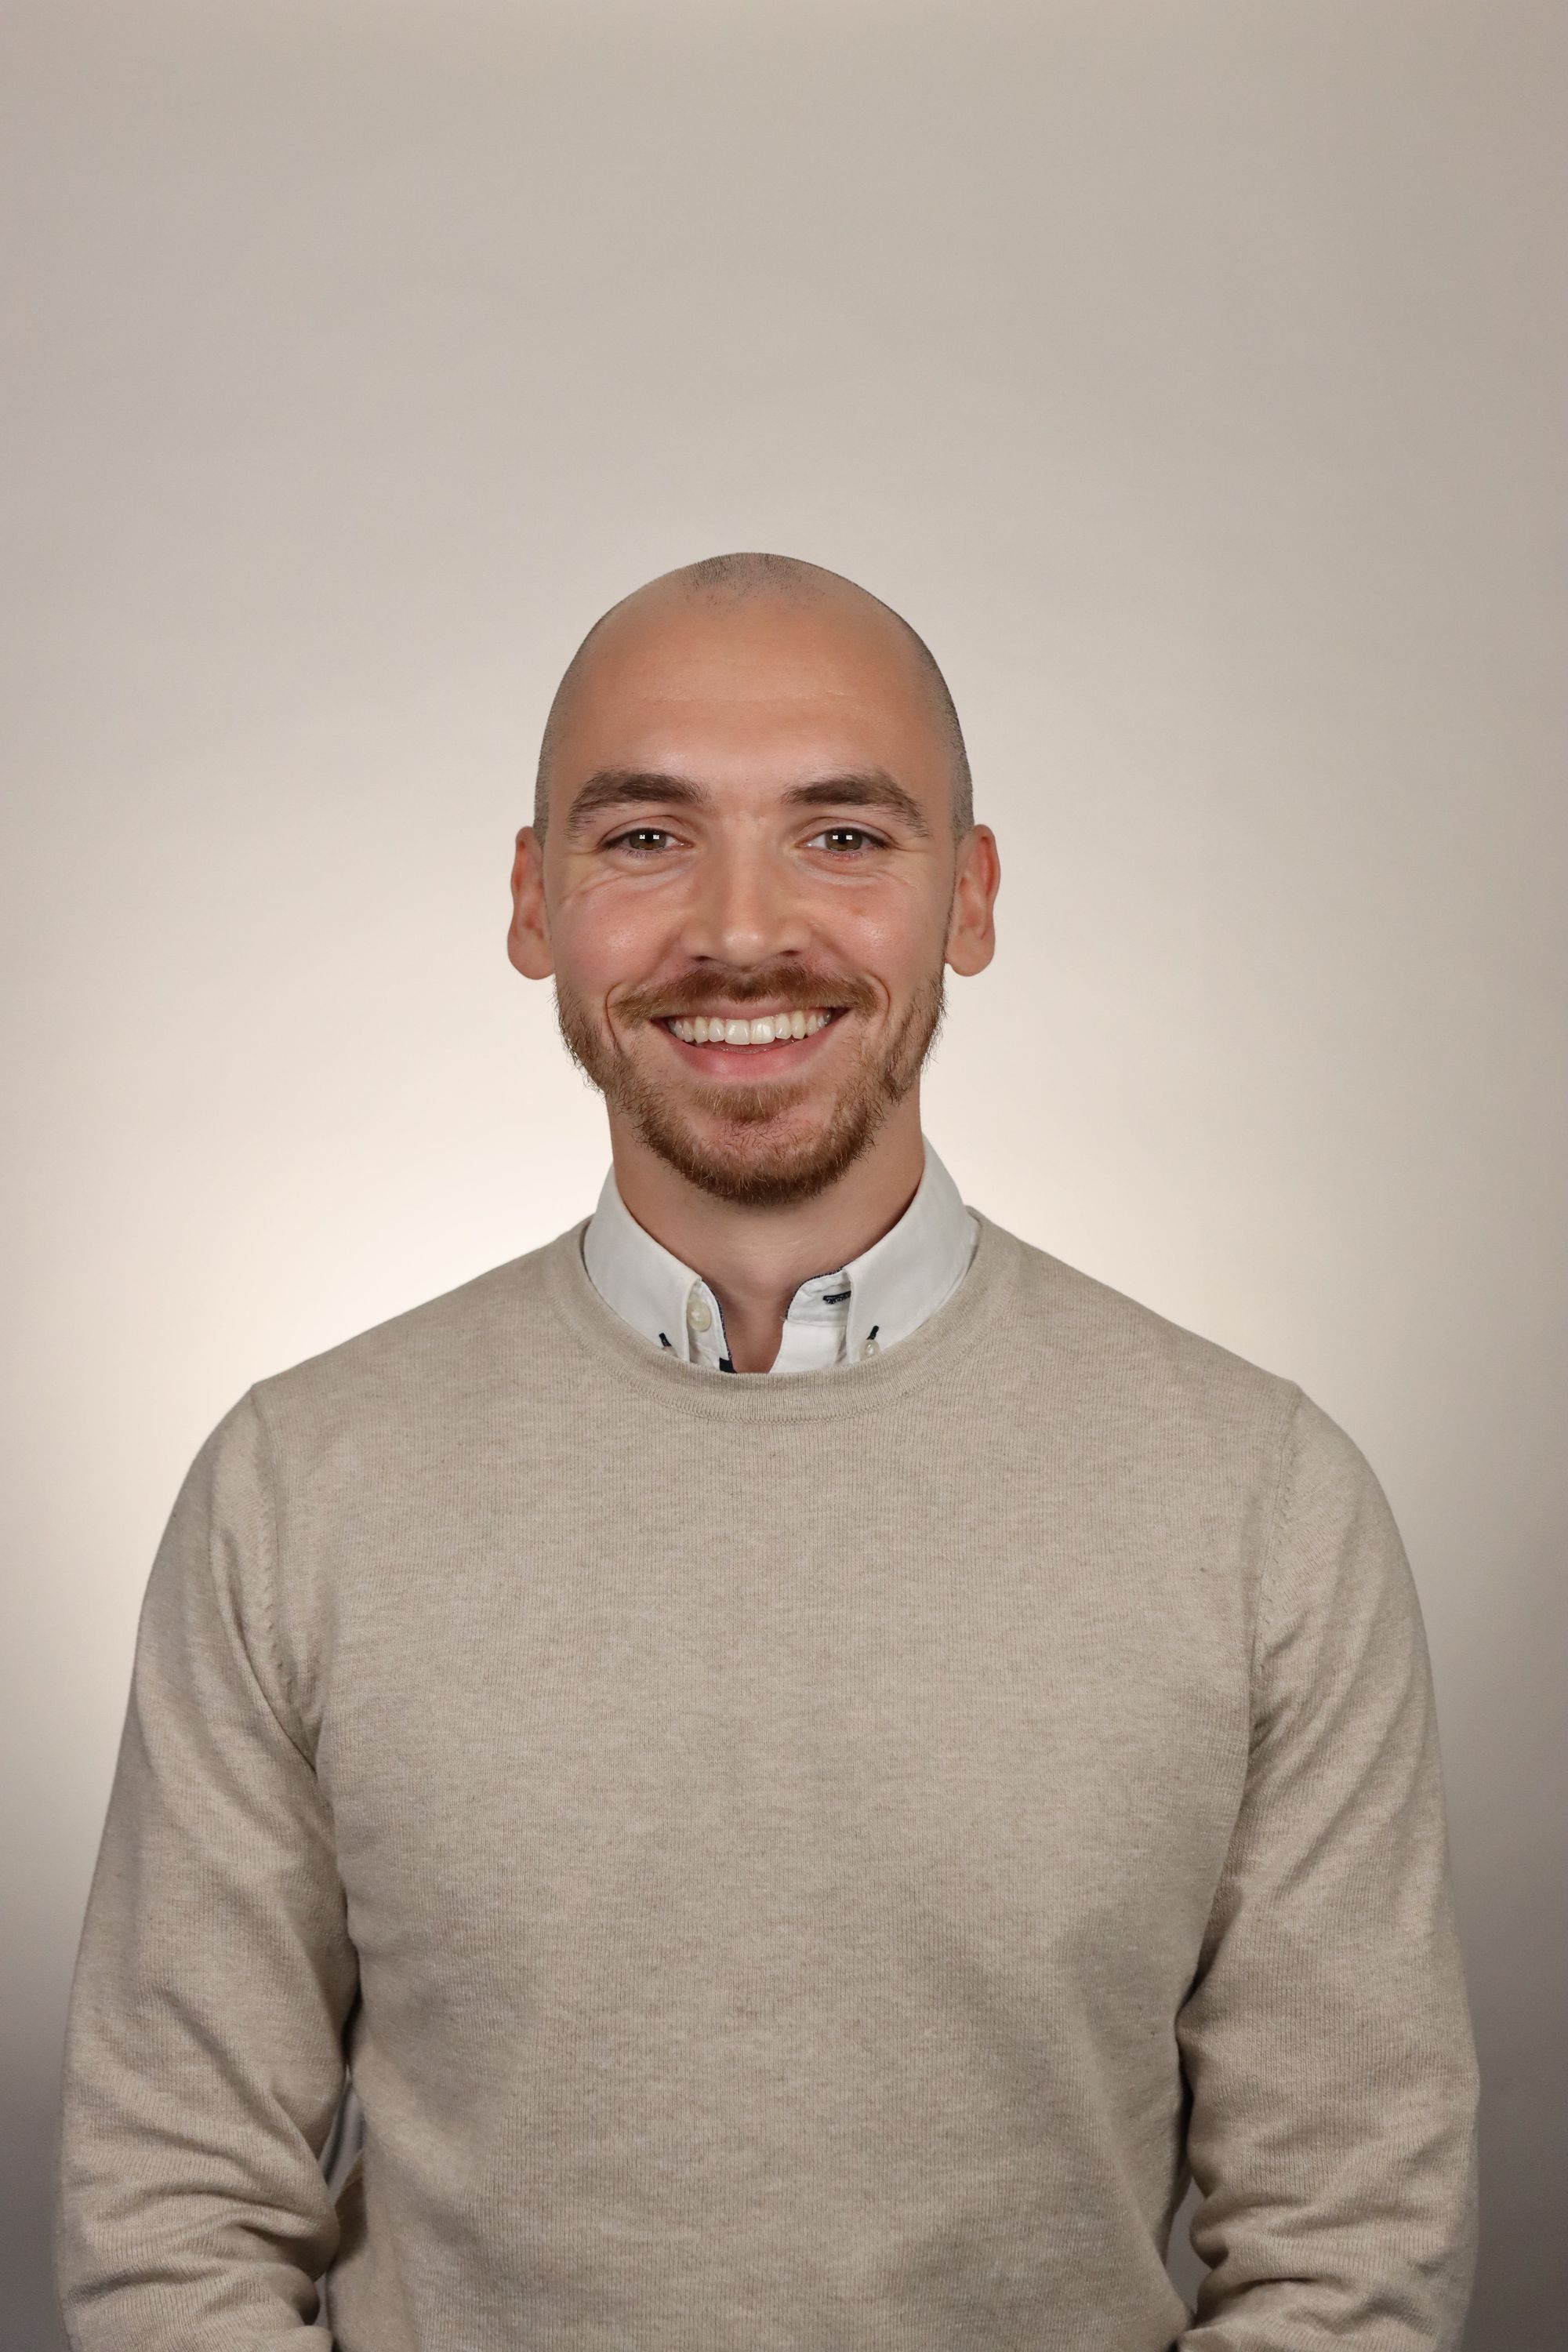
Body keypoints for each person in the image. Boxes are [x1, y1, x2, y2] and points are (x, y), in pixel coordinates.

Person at [54, 553, 1480, 2350]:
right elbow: (170, 2207)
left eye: (844, 836)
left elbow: (1350, 2248)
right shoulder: (293, 1487)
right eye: (646, 837)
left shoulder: (1264, 1501)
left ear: (967, 897)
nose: (741, 930)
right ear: (532, 900)